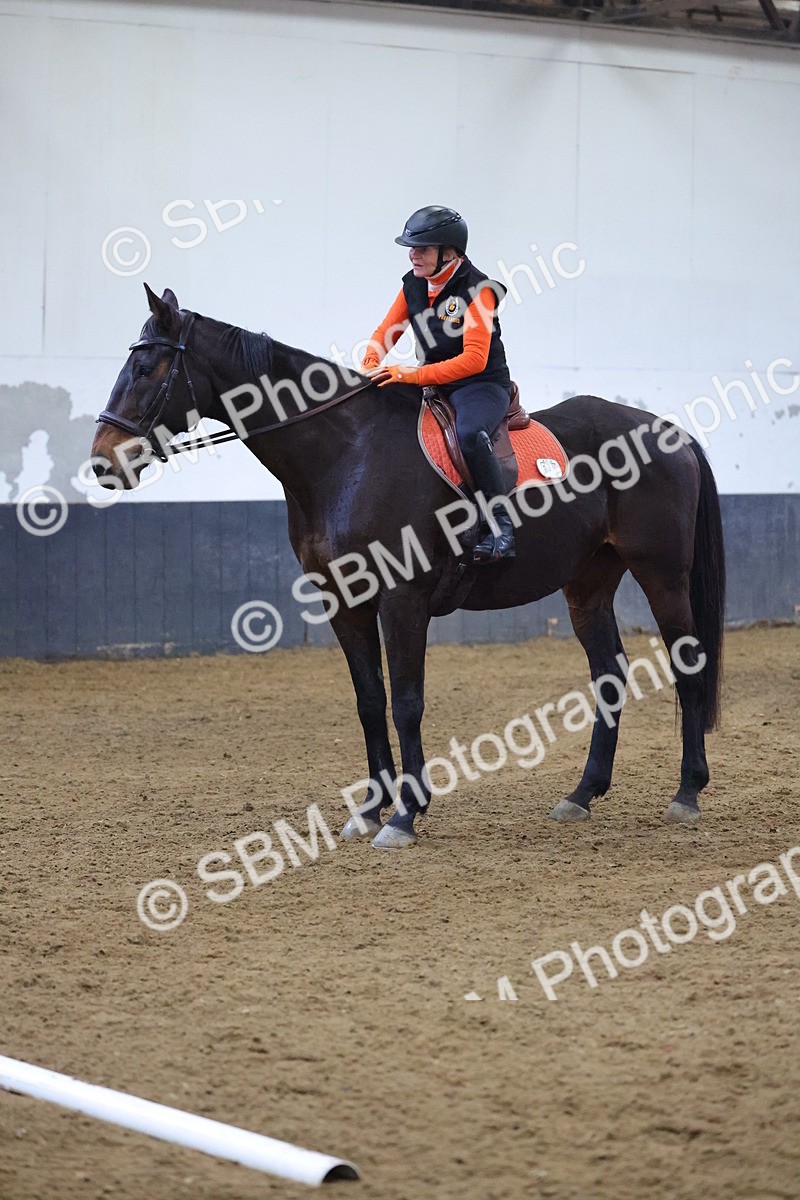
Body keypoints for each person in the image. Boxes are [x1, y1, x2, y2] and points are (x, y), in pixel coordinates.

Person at [361, 205, 516, 562]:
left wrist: (410, 375)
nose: (413, 255)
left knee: (469, 435)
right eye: (411, 249)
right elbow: (387, 331)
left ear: (450, 252)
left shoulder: (480, 290)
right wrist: (371, 362)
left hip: (480, 384)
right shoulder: (414, 283)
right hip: (433, 380)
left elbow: (473, 360)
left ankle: (501, 525)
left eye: (423, 249)